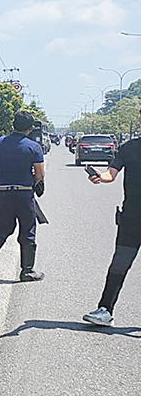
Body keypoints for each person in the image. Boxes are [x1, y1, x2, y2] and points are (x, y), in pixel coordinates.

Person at [83, 115, 141, 326]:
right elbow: (111, 174)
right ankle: (105, 310)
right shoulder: (129, 148)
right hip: (132, 217)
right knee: (119, 264)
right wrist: (100, 177)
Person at [0, 111, 46, 282]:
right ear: (30, 128)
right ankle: (27, 271)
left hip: (2, 192)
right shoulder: (33, 147)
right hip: (24, 193)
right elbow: (40, 174)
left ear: (13, 124)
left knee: (1, 226)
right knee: (27, 230)